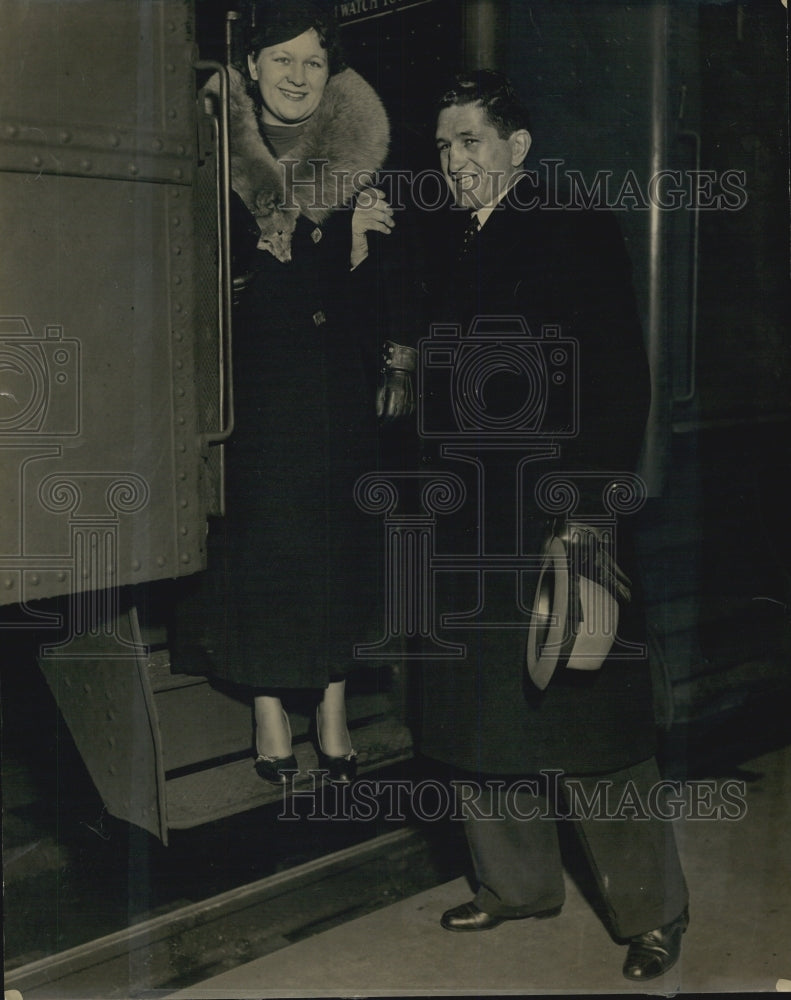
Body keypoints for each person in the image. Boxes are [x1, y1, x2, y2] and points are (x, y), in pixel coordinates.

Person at [414, 70, 689, 982]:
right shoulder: (454, 240)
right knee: (481, 719)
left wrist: (583, 513)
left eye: (471, 142)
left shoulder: (570, 226)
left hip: (555, 512)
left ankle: (651, 914)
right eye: (445, 145)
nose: (454, 161)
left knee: (592, 727)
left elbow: (618, 382)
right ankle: (515, 886)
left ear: (516, 147)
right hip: (471, 523)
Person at [171, 0, 408, 785]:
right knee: (265, 554)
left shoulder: (355, 155)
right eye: (281, 59)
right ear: (248, 67)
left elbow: (376, 313)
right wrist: (313, 252)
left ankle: (333, 707)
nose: (297, 76)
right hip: (253, 397)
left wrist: (363, 255)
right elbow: (203, 281)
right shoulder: (209, 153)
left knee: (336, 551)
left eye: (312, 60)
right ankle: (269, 709)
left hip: (333, 396)